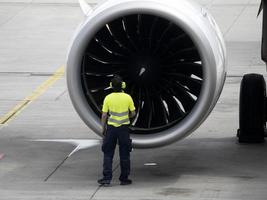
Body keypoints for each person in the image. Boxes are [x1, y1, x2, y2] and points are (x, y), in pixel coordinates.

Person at [98, 75, 136, 186]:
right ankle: (124, 179)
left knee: (108, 153)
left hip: (111, 129)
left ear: (111, 86)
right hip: (123, 129)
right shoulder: (128, 97)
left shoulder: (108, 98)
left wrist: (103, 128)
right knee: (124, 154)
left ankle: (106, 178)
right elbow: (133, 113)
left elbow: (104, 115)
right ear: (122, 85)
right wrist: (126, 117)